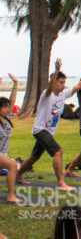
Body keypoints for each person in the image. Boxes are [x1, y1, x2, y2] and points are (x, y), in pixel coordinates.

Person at [17, 59, 81, 191]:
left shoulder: (63, 94)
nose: (63, 85)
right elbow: (49, 87)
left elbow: (79, 86)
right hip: (40, 130)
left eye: (64, 82)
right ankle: (61, 183)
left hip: (48, 132)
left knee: (34, 157)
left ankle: (18, 175)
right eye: (61, 82)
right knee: (58, 151)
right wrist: (55, 71)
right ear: (54, 82)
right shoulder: (46, 94)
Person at [0, 73, 22, 203]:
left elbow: (12, 100)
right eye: (4, 106)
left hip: (3, 154)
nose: (8, 108)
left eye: (8, 107)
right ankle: (11, 196)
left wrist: (15, 83)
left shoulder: (7, 119)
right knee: (13, 166)